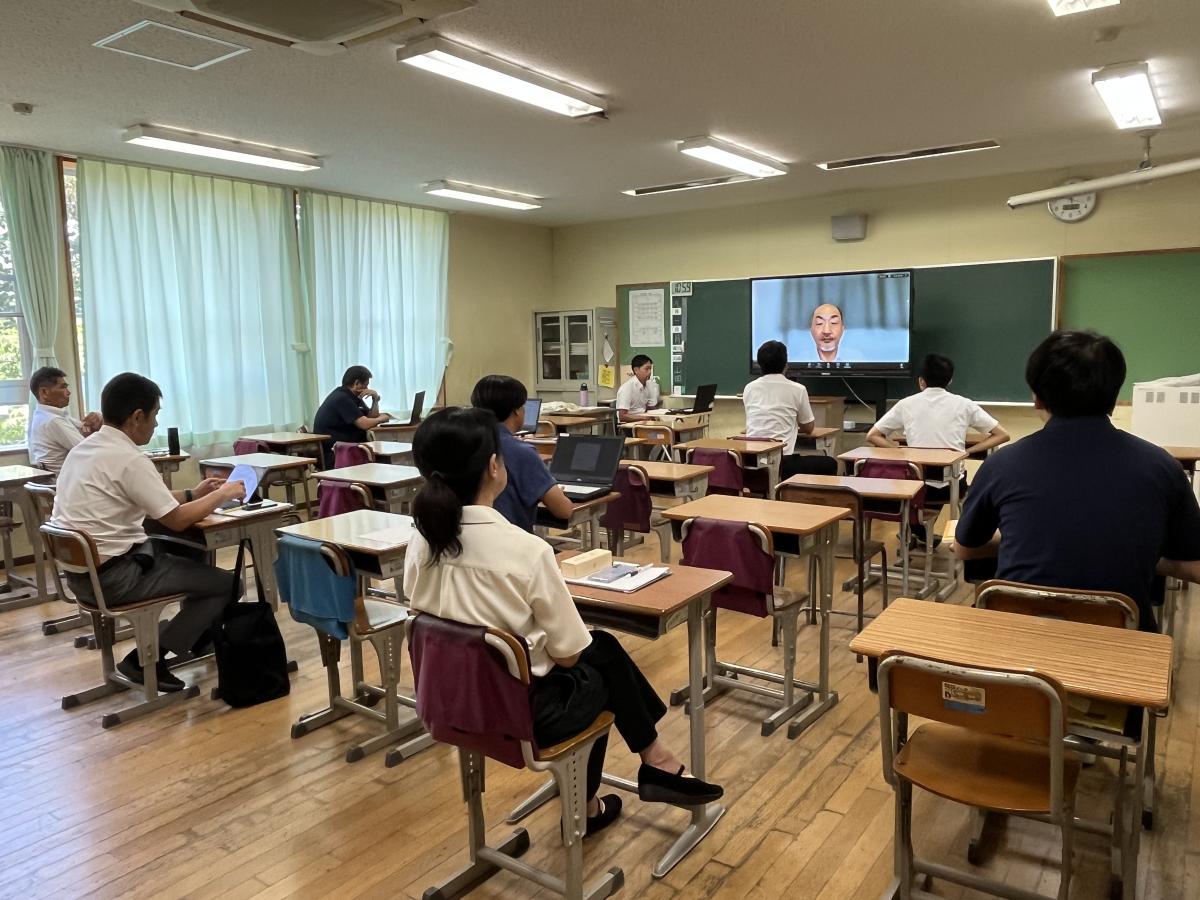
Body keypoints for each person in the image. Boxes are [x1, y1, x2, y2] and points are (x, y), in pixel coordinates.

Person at [404, 407, 723, 834]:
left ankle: (635, 775)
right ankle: (619, 788)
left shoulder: (420, 539)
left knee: (602, 651)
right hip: (518, 713)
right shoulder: (524, 550)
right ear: (494, 467)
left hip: (447, 700)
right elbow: (571, 657)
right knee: (598, 664)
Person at [955, 331, 1200, 631]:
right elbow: (1195, 565)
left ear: (1037, 398)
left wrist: (1029, 542)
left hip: (1017, 650)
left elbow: (964, 548)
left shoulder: (1002, 464)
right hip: (1121, 647)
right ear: (1113, 397)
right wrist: (1143, 555)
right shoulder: (1162, 467)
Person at [50, 372, 248, 690]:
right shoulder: (128, 458)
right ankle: (147, 659)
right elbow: (177, 521)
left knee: (186, 554)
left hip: (81, 577)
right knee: (228, 585)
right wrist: (221, 496)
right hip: (117, 579)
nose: (156, 424)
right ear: (137, 416)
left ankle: (196, 636)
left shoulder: (85, 450)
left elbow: (151, 498)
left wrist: (194, 494)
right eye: (155, 416)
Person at [868, 353, 1010, 545]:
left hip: (914, 486)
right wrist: (967, 452)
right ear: (950, 380)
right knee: (948, 481)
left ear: (921, 381)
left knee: (909, 488)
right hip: (949, 488)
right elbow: (1002, 435)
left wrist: (900, 451)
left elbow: (873, 435)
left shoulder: (906, 404)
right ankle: (924, 534)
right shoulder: (964, 404)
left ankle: (917, 532)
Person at [470, 374, 574, 530]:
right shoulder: (521, 452)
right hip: (512, 542)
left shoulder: (466, 443)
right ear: (516, 411)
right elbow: (564, 511)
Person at [743, 340, 827, 479]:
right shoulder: (798, 389)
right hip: (783, 462)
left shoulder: (749, 388)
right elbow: (808, 428)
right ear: (785, 364)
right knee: (829, 463)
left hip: (751, 462)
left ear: (759, 364)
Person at [26, 366, 102, 474]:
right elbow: (89, 450)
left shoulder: (44, 416)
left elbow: (85, 427)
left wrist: (97, 421)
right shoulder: (53, 421)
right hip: (67, 483)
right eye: (63, 387)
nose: (68, 392)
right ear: (44, 392)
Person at [312, 365, 392, 466]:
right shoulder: (342, 398)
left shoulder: (353, 397)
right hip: (336, 453)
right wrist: (383, 418)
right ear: (357, 383)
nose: (367, 389)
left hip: (348, 448)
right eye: (366, 385)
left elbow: (371, 417)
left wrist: (375, 399)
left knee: (384, 457)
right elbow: (364, 424)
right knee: (382, 460)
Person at [615, 355, 661, 423]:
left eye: (650, 369)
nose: (649, 372)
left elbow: (650, 407)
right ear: (636, 370)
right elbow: (622, 416)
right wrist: (644, 418)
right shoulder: (627, 388)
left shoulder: (649, 384)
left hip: (643, 420)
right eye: (646, 369)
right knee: (659, 431)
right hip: (629, 425)